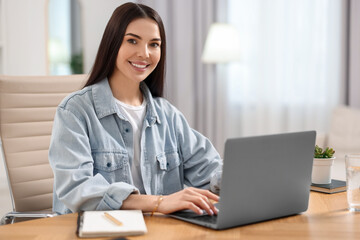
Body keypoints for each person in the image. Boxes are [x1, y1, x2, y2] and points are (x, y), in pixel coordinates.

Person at [49, 2, 222, 217]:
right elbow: (78, 189)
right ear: (113, 44)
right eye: (132, 41)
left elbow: (210, 171)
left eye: (154, 44)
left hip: (160, 231)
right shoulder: (75, 111)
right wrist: (159, 202)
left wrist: (249, 178)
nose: (144, 53)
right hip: (100, 231)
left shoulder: (168, 115)